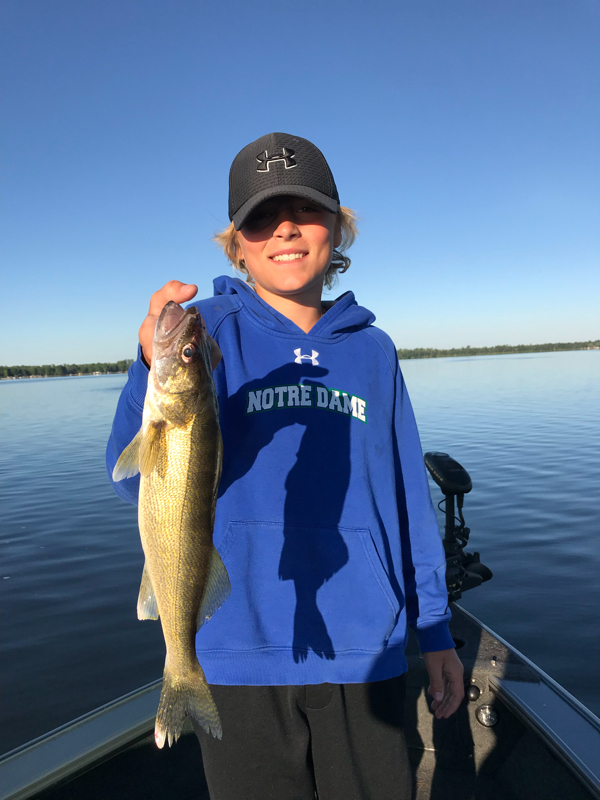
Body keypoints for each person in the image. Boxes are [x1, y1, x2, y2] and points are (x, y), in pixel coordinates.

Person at [106, 132, 464, 800]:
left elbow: (407, 499)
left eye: (306, 211)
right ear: (236, 243)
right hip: (237, 650)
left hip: (366, 648)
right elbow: (130, 474)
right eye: (261, 218)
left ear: (337, 229)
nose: (286, 230)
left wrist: (435, 628)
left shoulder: (375, 351)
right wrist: (152, 368)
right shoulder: (205, 333)